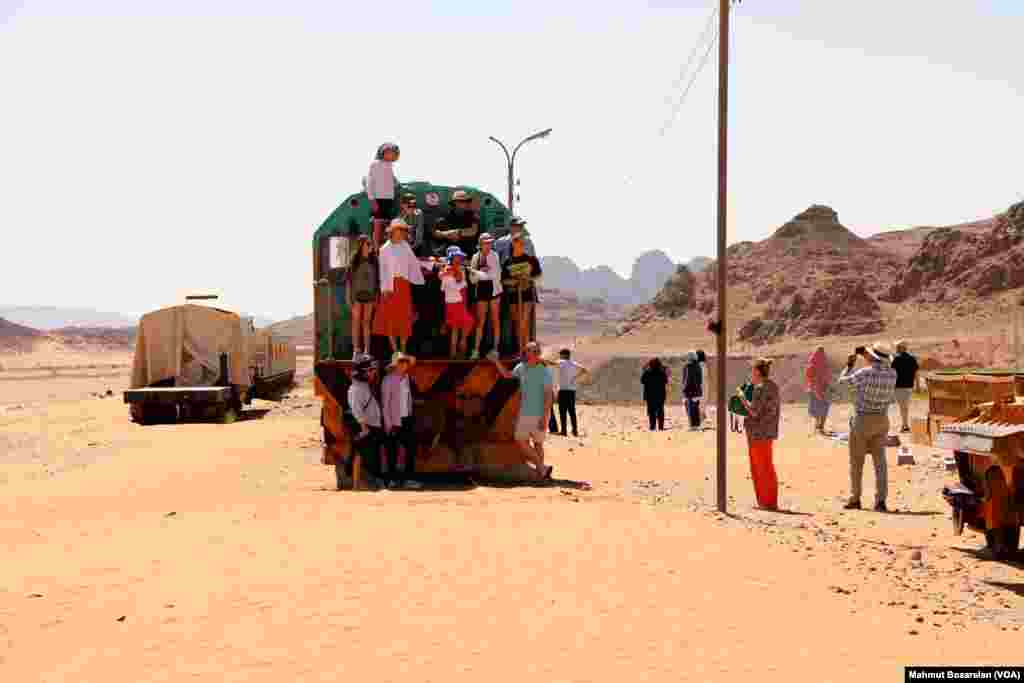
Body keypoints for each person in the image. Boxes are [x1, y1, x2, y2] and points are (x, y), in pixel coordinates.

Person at [837, 342, 898, 512]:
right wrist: (866, 355)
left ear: (873, 357)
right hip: (881, 420)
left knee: (857, 462)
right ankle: (880, 501)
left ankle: (855, 498)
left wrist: (849, 366)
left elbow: (842, 384)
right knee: (880, 464)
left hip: (862, 419)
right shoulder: (893, 374)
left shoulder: (864, 372)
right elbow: (878, 364)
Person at [491, 341, 554, 481]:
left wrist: (545, 417)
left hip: (535, 413)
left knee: (521, 440)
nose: (526, 353)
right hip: (527, 411)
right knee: (536, 443)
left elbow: (549, 395)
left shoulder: (544, 371)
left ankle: (541, 468)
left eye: (530, 351)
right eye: (527, 351)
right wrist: (496, 361)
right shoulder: (521, 367)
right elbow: (507, 375)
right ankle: (541, 472)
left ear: (537, 354)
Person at [375, 219, 432, 354]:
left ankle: (404, 351)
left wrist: (430, 264)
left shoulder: (405, 246)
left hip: (403, 285)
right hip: (390, 286)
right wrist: (385, 289)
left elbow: (414, 262)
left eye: (404, 231)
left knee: (404, 318)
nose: (403, 234)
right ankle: (395, 351)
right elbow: (383, 271)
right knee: (390, 319)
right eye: (400, 231)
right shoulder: (384, 249)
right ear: (393, 231)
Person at [736, 358, 782, 511]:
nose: (751, 374)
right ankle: (768, 501)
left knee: (760, 468)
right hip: (767, 432)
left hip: (758, 433)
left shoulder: (760, 388)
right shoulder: (772, 386)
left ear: (757, 371)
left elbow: (754, 411)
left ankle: (767, 502)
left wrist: (742, 397)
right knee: (766, 466)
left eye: (752, 371)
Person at [381, 351, 422, 490]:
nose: (404, 364)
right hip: (394, 420)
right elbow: (385, 404)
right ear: (396, 365)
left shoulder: (407, 378)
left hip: (406, 418)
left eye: (405, 362)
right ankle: (391, 479)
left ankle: (408, 479)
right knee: (392, 450)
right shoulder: (388, 380)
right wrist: (388, 423)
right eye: (402, 361)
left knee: (410, 449)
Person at [345, 355, 386, 489]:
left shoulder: (363, 386)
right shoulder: (355, 389)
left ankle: (364, 484)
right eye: (370, 370)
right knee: (359, 454)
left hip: (370, 425)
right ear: (362, 372)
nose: (373, 372)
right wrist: (364, 428)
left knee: (367, 454)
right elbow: (357, 410)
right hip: (365, 427)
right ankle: (356, 486)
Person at [501, 230, 542, 354]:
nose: (519, 244)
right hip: (514, 294)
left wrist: (527, 279)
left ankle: (525, 350)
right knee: (517, 323)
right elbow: (503, 280)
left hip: (527, 294)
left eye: (521, 242)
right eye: (516, 241)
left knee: (523, 323)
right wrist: (513, 282)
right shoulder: (508, 262)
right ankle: (521, 349)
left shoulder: (531, 260)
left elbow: (538, 275)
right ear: (513, 244)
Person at [468, 233, 502, 360]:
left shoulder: (495, 256)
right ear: (480, 244)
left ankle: (496, 349)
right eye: (486, 243)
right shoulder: (475, 257)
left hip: (494, 292)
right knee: (480, 322)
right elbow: (472, 279)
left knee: (495, 320)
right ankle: (476, 350)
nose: (488, 245)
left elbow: (495, 275)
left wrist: (479, 274)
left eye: (489, 243)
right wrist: (480, 274)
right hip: (481, 292)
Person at [345, 235, 378, 358]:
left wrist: (376, 297)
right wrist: (348, 299)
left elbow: (376, 281)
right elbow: (348, 281)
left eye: (370, 244)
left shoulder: (374, 261)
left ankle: (367, 351)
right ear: (361, 246)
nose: (369, 247)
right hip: (356, 296)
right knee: (356, 323)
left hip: (369, 296)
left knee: (366, 323)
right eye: (367, 244)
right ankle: (356, 350)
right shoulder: (354, 261)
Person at [441, 246, 476, 358]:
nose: (459, 259)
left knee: (458, 326)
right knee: (464, 324)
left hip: (460, 301)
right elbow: (450, 286)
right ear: (451, 258)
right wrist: (454, 276)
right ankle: (458, 349)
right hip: (454, 302)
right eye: (456, 257)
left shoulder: (458, 269)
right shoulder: (447, 270)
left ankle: (457, 351)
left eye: (460, 257)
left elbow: (462, 284)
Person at [365, 143, 400, 248]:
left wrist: (396, 183)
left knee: (386, 225)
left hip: (389, 198)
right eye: (391, 153)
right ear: (384, 153)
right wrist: (372, 199)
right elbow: (369, 182)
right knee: (377, 226)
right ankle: (376, 249)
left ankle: (386, 246)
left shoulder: (389, 166)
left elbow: (392, 180)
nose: (393, 155)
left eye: (395, 153)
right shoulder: (375, 164)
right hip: (379, 198)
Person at [433, 189, 480, 257]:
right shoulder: (447, 216)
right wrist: (446, 234)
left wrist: (458, 232)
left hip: (467, 249)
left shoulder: (472, 216)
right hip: (449, 248)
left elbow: (473, 230)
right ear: (455, 203)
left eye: (465, 201)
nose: (464, 203)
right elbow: (436, 232)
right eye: (461, 201)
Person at [555, 348, 590, 437]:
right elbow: (584, 370)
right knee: (572, 411)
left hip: (563, 390)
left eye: (561, 355)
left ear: (564, 355)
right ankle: (575, 431)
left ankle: (563, 431)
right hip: (571, 390)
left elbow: (552, 363)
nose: (560, 356)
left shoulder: (561, 362)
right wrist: (574, 378)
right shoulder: (573, 363)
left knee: (562, 411)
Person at [890, 340, 919, 433]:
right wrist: (917, 385)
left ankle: (905, 425)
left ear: (902, 348)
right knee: (904, 406)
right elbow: (916, 373)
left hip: (898, 386)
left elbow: (892, 372)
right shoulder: (912, 358)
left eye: (898, 347)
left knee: (902, 406)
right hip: (909, 386)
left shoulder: (896, 359)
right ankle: (905, 424)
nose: (896, 349)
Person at [805, 345, 832, 434]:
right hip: (824, 389)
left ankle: (817, 425)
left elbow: (808, 376)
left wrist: (812, 384)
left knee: (816, 408)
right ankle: (821, 426)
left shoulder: (811, 364)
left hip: (813, 389)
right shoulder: (826, 364)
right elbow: (828, 378)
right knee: (824, 408)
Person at [641, 358, 669, 431]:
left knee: (651, 412)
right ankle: (660, 427)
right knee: (660, 411)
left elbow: (642, 381)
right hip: (660, 395)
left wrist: (644, 369)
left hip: (650, 396)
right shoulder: (661, 373)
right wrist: (664, 370)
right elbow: (666, 381)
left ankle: (652, 427)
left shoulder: (647, 372)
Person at [681, 351, 704, 431]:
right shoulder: (698, 366)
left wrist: (684, 389)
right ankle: (697, 426)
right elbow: (700, 380)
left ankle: (692, 426)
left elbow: (687, 379)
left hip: (690, 391)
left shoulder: (688, 366)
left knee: (690, 409)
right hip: (698, 391)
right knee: (696, 409)